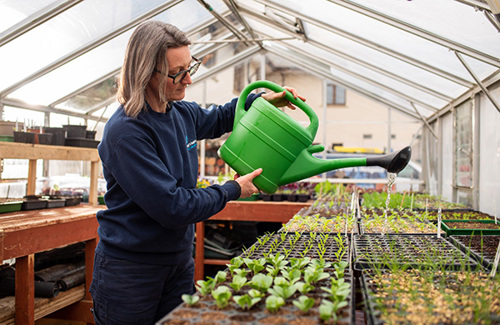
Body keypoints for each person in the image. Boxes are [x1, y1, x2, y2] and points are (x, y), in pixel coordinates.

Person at [90, 20, 306, 325]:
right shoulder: (127, 132)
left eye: (190, 66)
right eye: (177, 72)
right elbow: (172, 207)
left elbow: (220, 117)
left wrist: (263, 102)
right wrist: (233, 189)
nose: (188, 78)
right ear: (145, 73)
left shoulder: (180, 112)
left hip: (178, 262)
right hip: (131, 272)